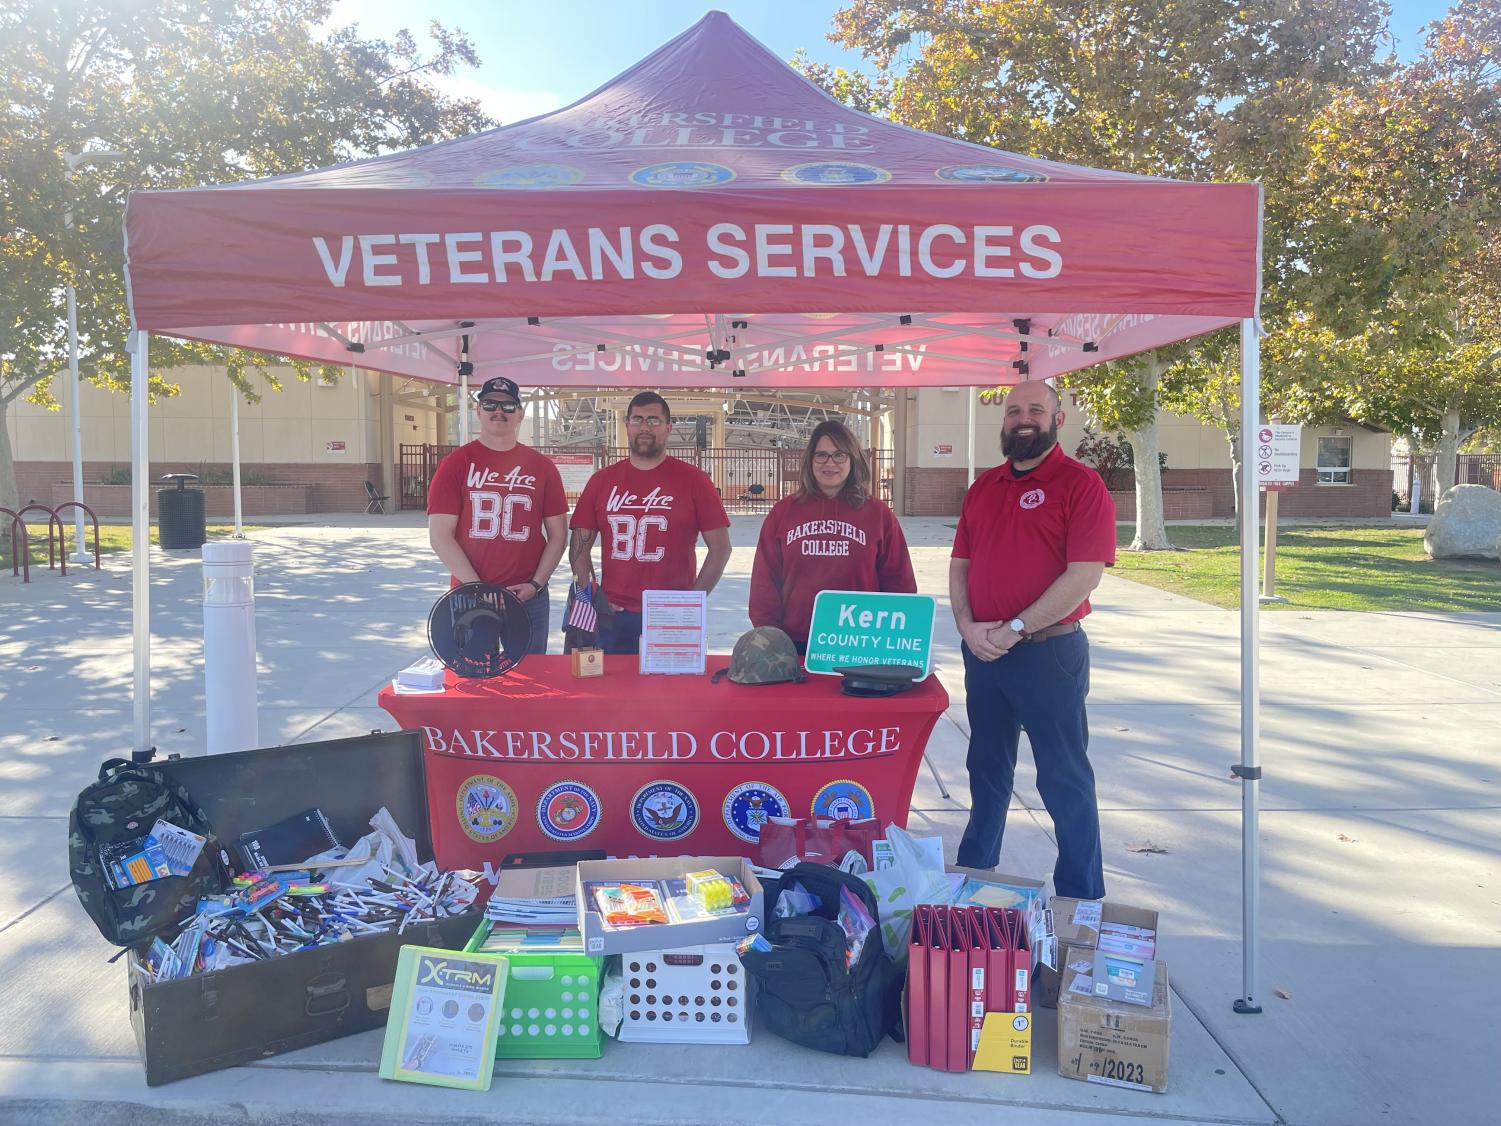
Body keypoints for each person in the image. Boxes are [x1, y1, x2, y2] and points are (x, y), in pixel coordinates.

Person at [949, 380, 1116, 900]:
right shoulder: (984, 487)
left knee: (1063, 779)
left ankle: (1080, 899)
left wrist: (1014, 628)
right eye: (1014, 410)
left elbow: (1084, 574)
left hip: (1049, 654)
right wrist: (967, 626)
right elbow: (961, 564)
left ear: (1058, 419)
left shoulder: (1081, 484)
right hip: (984, 654)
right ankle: (974, 876)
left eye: (1035, 410)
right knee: (987, 769)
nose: (1023, 418)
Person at [568, 391, 732, 654]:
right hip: (614, 612)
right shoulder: (602, 481)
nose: (645, 427)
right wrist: (592, 595)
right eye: (637, 420)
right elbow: (579, 545)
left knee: (674, 694)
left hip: (671, 612)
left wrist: (692, 601)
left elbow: (721, 548)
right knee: (612, 693)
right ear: (627, 425)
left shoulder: (694, 480)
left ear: (668, 428)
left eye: (654, 420)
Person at [427, 376, 567, 654]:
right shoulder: (456, 464)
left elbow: (559, 535)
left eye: (507, 405)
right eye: (489, 403)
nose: (498, 411)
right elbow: (440, 536)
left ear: (520, 414)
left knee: (531, 680)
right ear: (478, 411)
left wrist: (536, 584)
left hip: (527, 595)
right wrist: (477, 587)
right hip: (470, 594)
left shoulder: (542, 467)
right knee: (476, 683)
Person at [749, 420, 915, 652]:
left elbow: (899, 582)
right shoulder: (784, 512)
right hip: (794, 641)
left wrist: (891, 639)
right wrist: (770, 635)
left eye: (839, 455)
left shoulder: (878, 514)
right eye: (821, 455)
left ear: (853, 460)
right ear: (810, 460)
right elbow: (764, 581)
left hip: (860, 643)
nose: (830, 463)